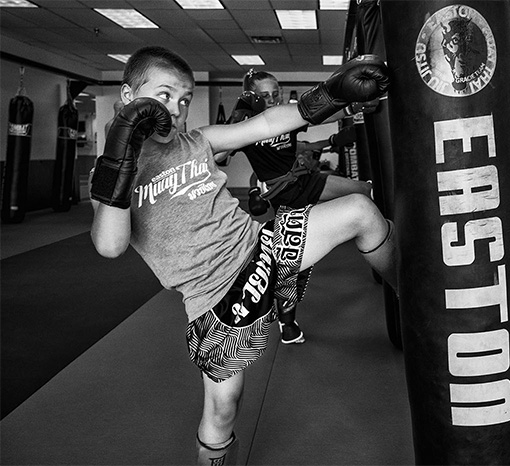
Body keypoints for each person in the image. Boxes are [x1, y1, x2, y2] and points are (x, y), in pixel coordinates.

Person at [89, 46, 394, 465]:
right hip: (210, 296)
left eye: (183, 101)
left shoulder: (197, 141)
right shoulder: (107, 176)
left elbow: (266, 122)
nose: (175, 111)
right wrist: (118, 158)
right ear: (128, 96)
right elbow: (109, 245)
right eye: (163, 96)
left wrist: (332, 94)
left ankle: (420, 308)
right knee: (224, 405)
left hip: (260, 248)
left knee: (361, 211)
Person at [219, 70, 377, 345]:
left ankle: (387, 257)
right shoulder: (245, 128)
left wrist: (354, 107)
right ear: (253, 98)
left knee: (365, 190)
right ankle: (287, 322)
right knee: (293, 265)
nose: (272, 99)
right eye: (265, 96)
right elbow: (220, 157)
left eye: (275, 93)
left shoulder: (286, 116)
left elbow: (321, 115)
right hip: (285, 195)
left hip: (307, 180)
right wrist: (237, 115)